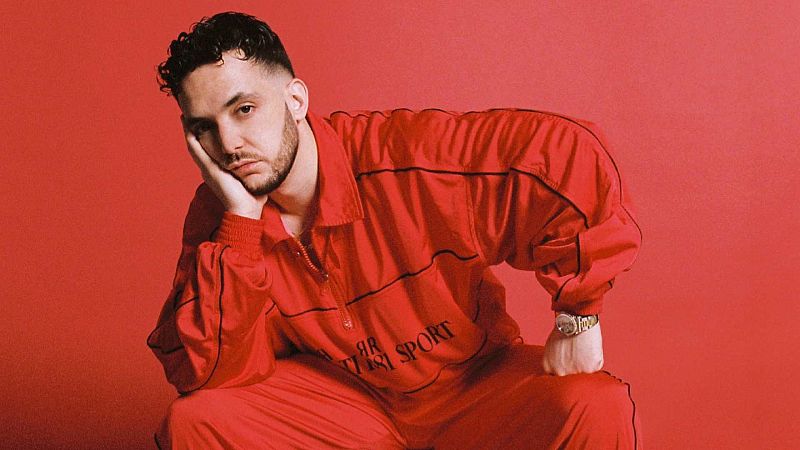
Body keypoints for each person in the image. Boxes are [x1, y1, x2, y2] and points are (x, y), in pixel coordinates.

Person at [147, 11, 643, 450]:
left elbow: (564, 153)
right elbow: (206, 371)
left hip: (473, 389)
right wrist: (241, 222)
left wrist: (579, 312)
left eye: (244, 110)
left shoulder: (406, 156)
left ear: (295, 100)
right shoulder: (222, 219)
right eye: (204, 127)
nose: (229, 143)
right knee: (197, 419)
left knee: (594, 404)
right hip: (346, 410)